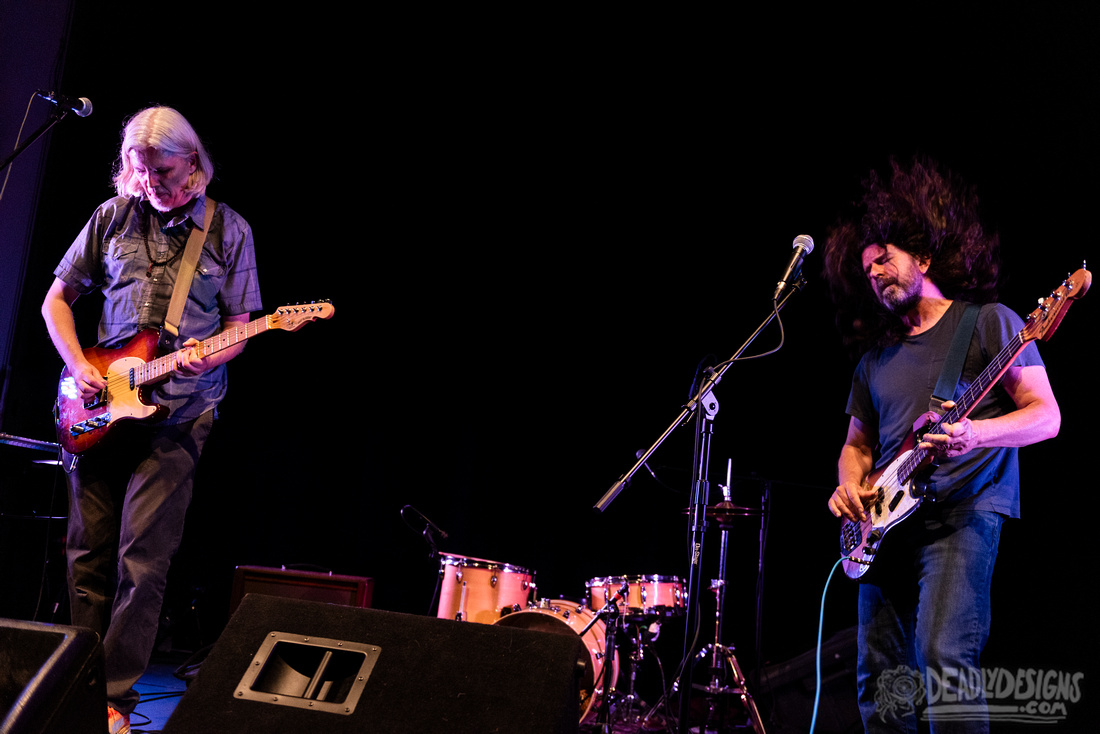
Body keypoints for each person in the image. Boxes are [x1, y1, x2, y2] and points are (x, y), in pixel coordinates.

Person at [41, 106, 262, 734]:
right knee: (87, 557)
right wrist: (77, 360)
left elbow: (241, 325)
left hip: (181, 417)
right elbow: (56, 299)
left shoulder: (228, 231)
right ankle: (71, 690)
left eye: (161, 172)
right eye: (140, 173)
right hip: (100, 407)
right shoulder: (112, 216)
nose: (151, 185)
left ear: (192, 162)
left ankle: (111, 699)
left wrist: (209, 356)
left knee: (142, 562)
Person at [822, 157, 1061, 733]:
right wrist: (850, 484)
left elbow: (1047, 417)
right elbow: (857, 444)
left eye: (884, 259)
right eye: (868, 269)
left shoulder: (989, 324)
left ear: (923, 259)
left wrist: (975, 432)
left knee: (943, 662)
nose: (875, 273)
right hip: (883, 526)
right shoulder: (873, 360)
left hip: (962, 516)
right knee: (879, 684)